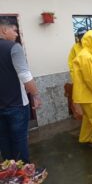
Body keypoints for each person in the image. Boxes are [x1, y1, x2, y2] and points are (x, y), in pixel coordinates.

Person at [0, 18, 42, 163]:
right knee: (19, 141)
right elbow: (24, 74)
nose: (16, 34)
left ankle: (10, 173)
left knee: (4, 141)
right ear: (4, 30)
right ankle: (23, 173)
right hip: (16, 105)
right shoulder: (14, 47)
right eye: (14, 30)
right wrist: (35, 95)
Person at [67, 27, 92, 119]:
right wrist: (76, 79)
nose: (82, 38)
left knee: (91, 117)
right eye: (80, 36)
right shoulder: (77, 49)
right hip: (89, 83)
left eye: (84, 36)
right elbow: (72, 65)